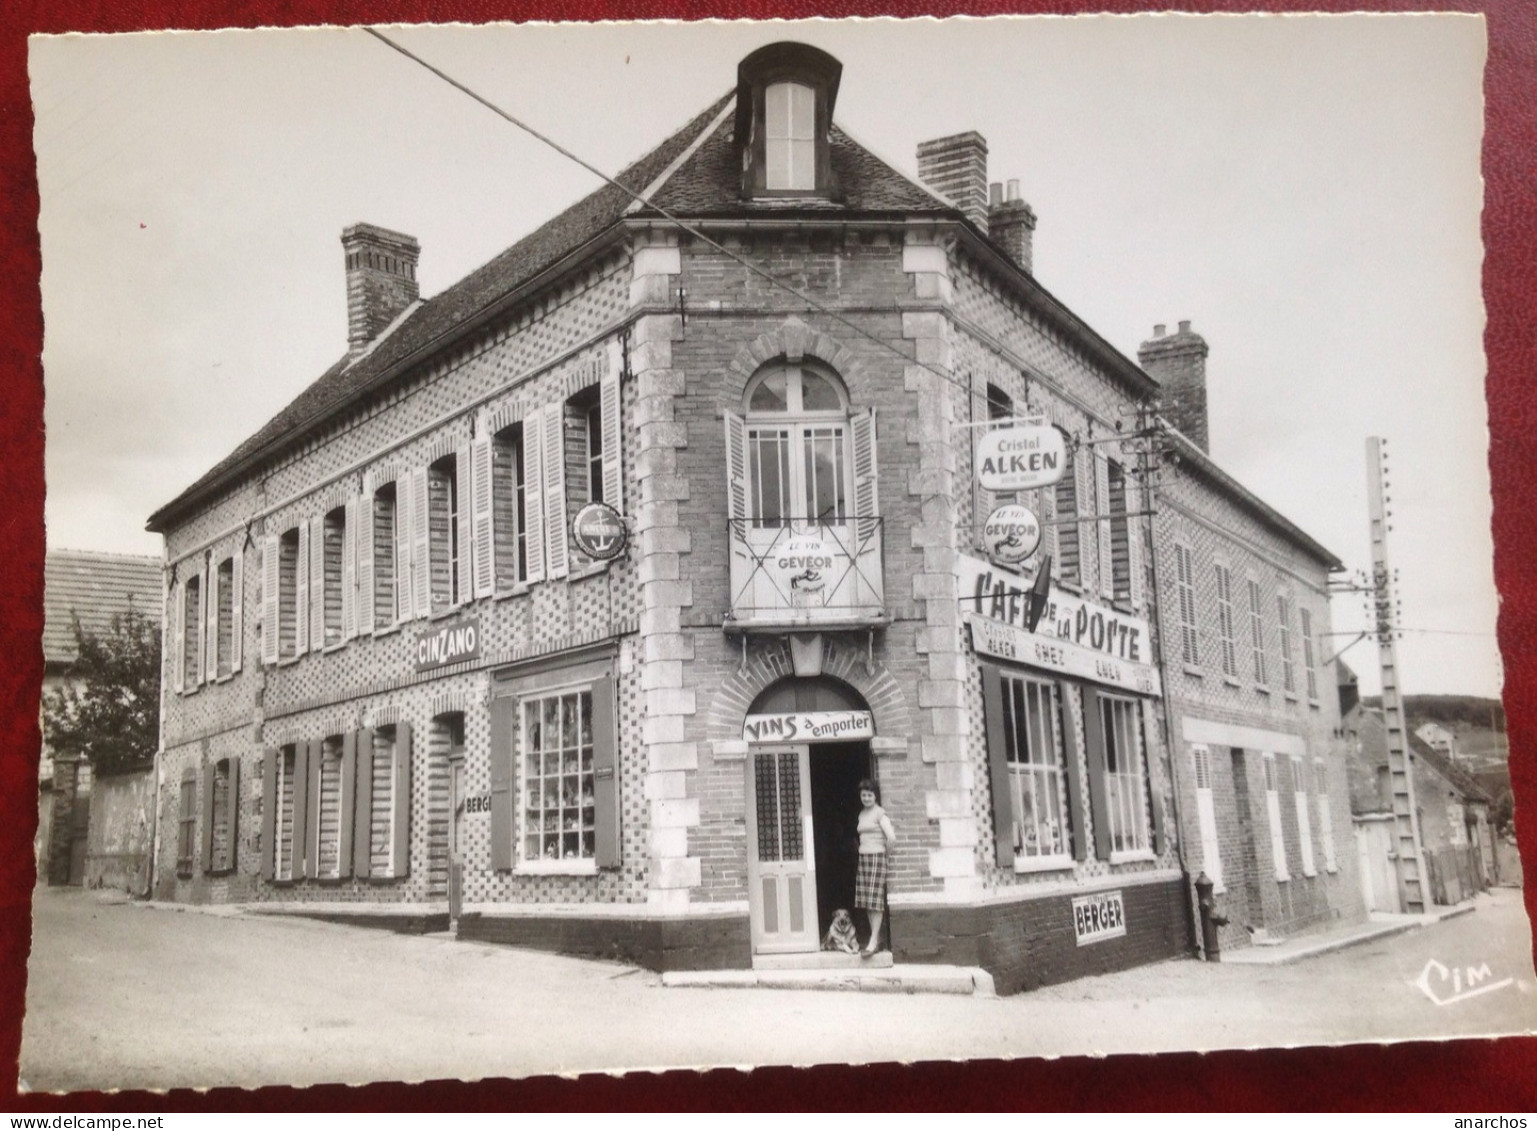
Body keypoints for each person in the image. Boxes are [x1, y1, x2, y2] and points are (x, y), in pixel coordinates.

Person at [855, 777, 896, 957]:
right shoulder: (862, 814)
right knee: (867, 901)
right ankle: (875, 938)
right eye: (863, 795)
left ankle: (873, 941)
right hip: (864, 858)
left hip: (876, 858)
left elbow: (891, 837)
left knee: (875, 900)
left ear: (875, 796)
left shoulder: (880, 813)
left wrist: (885, 855)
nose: (866, 798)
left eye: (869, 795)